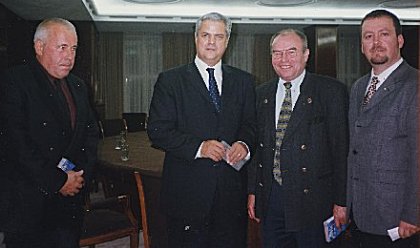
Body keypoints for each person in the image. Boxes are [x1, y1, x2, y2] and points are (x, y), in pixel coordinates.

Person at [147, 12, 256, 247]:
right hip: (186, 193)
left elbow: (251, 125)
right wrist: (200, 147)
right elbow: (157, 130)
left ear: (227, 41)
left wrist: (244, 144)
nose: (211, 42)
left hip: (230, 194)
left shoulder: (244, 81)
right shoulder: (170, 80)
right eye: (205, 35)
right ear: (195, 38)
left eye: (218, 36)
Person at [0, 18, 98, 248]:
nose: (69, 56)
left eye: (73, 49)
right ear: (39, 47)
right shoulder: (14, 82)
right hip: (30, 202)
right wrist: (58, 181)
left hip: (70, 199)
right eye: (62, 48)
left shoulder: (78, 85)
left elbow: (90, 135)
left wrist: (78, 177)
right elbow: (16, 144)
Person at [247, 28, 349, 248]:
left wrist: (341, 202)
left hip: (315, 202)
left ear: (306, 54)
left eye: (291, 52)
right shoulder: (260, 94)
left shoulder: (331, 92)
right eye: (277, 53)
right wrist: (254, 191)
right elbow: (259, 148)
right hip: (272, 199)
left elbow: (341, 151)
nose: (283, 59)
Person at [346, 9, 419, 248]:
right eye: (368, 37)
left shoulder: (415, 85)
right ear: (361, 45)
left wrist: (413, 213)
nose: (375, 42)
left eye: (384, 34)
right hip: (360, 215)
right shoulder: (358, 87)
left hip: (398, 219)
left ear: (399, 40)